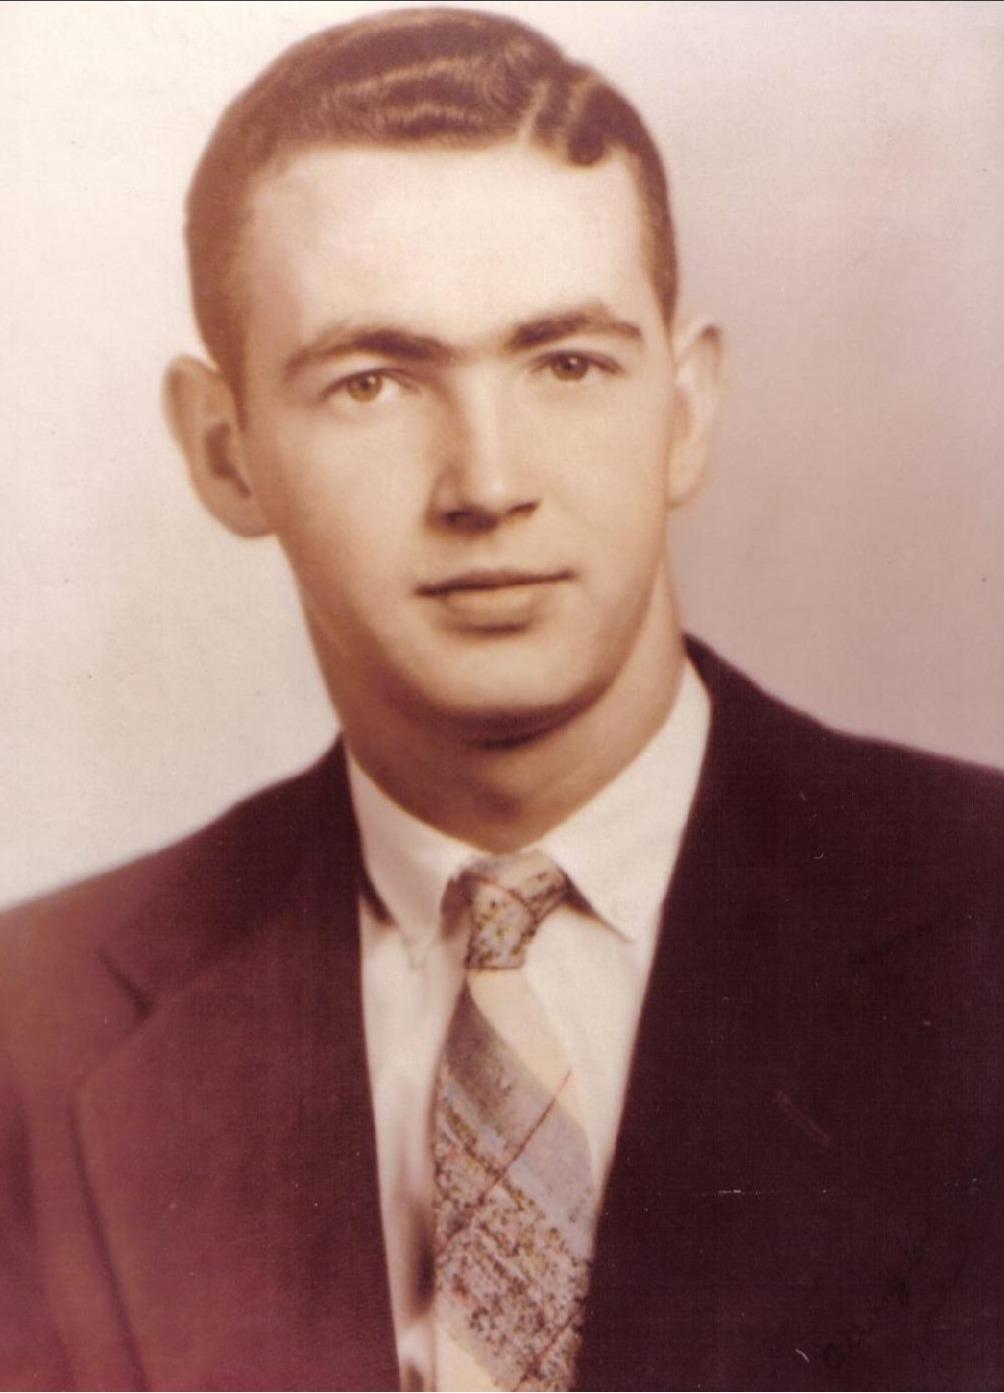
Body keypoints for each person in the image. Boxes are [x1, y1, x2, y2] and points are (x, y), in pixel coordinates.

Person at [0, 8, 1001, 1391]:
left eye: (568, 364)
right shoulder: (32, 1031)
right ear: (225, 451)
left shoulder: (980, 921)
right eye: (374, 381)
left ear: (687, 408)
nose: (487, 481)